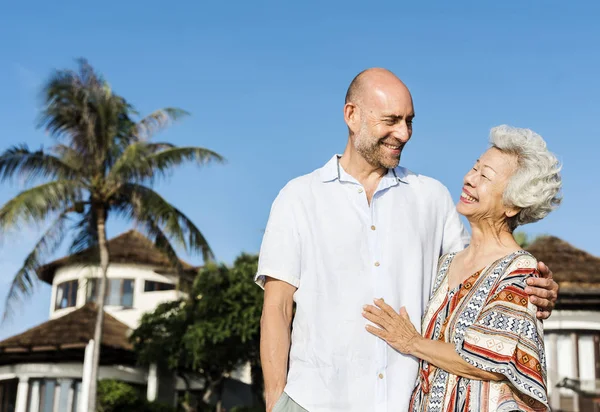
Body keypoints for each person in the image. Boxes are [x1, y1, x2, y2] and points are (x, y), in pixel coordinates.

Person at [256, 68, 559, 412]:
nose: (403, 133)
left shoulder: (432, 197)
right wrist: (275, 401)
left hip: (406, 402)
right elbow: (277, 308)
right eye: (391, 120)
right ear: (351, 115)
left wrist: (536, 289)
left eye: (409, 121)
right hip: (312, 401)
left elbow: (475, 279)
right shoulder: (298, 197)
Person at [362, 125, 560, 411]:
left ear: (513, 205)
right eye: (474, 168)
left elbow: (488, 362)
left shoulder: (520, 271)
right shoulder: (446, 264)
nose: (469, 179)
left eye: (484, 176)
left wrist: (411, 342)